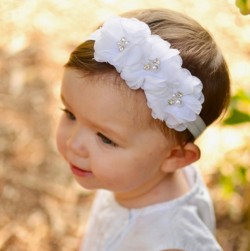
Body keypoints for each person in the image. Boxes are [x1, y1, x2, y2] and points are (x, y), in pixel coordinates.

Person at [56, 8, 230, 251]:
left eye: (105, 139)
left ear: (175, 156)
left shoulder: (170, 244)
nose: (73, 144)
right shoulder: (133, 177)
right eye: (70, 114)